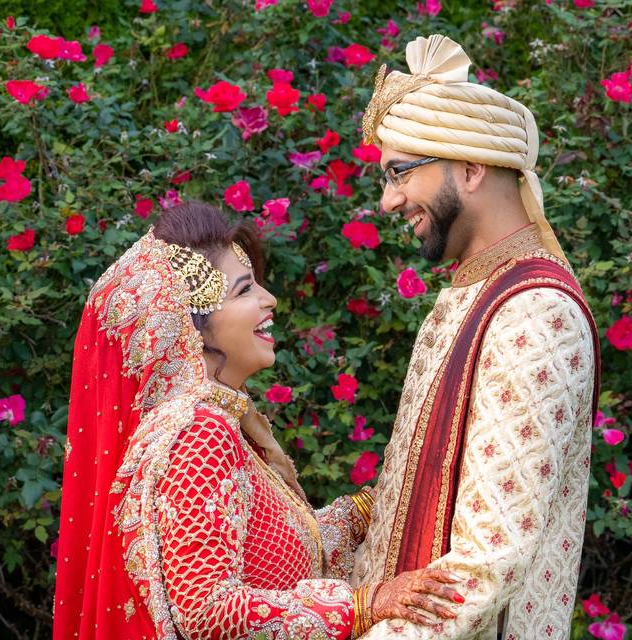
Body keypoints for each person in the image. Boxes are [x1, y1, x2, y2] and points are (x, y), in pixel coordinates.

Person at [52, 200, 463, 640]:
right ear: (190, 325)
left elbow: (271, 554)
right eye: (245, 290)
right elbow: (206, 608)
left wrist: (376, 505)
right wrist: (361, 606)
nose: (270, 300)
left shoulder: (219, 423)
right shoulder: (198, 433)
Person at [348, 35, 602, 639]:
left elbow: (485, 564)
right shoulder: (480, 292)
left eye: (400, 173)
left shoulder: (536, 311)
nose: (388, 201)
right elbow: (398, 501)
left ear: (468, 168)